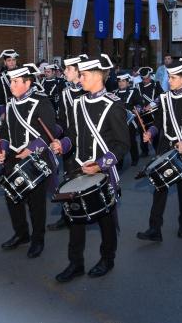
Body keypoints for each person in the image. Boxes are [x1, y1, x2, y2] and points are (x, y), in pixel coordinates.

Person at [50, 54, 130, 282]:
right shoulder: (78, 104)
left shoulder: (114, 105)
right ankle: (75, 263)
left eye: (83, 74)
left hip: (101, 173)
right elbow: (73, 136)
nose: (79, 78)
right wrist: (61, 144)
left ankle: (107, 258)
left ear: (96, 76)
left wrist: (100, 165)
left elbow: (122, 144)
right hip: (78, 170)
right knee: (75, 219)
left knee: (106, 219)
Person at [136, 59, 182, 242]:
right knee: (159, 188)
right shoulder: (164, 98)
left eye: (173, 77)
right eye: (169, 77)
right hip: (165, 148)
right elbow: (158, 123)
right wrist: (151, 133)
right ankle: (155, 229)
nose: (169, 81)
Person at [0, 64, 58, 259]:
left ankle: (37, 239)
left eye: (15, 82)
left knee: (36, 203)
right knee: (12, 198)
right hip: (14, 157)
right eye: (10, 81)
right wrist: (3, 151)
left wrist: (31, 149)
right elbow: (6, 132)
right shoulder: (11, 104)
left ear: (27, 82)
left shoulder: (41, 101)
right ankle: (21, 233)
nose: (11, 85)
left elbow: (50, 132)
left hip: (35, 158)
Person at [47, 54, 87, 232]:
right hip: (69, 143)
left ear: (79, 71)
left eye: (69, 69)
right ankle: (67, 216)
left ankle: (87, 212)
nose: (65, 72)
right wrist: (54, 134)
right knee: (68, 179)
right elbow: (62, 120)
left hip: (86, 144)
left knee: (86, 181)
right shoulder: (64, 92)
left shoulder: (88, 91)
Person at [113, 73, 141, 167]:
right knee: (118, 142)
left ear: (128, 82)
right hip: (117, 122)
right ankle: (119, 162)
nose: (121, 83)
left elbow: (139, 103)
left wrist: (137, 109)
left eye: (123, 81)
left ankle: (135, 159)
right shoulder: (114, 93)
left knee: (131, 141)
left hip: (130, 121)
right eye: (119, 81)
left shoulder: (134, 91)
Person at [136, 67, 163, 157]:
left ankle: (157, 151)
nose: (145, 80)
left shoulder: (156, 84)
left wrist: (151, 105)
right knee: (142, 133)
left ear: (150, 76)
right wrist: (139, 108)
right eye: (143, 79)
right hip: (142, 114)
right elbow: (136, 99)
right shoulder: (138, 86)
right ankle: (144, 151)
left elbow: (161, 96)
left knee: (155, 133)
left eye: (147, 78)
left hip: (154, 113)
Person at [0, 49, 20, 119]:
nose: (12, 62)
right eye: (9, 60)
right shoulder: (2, 77)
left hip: (23, 108)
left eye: (13, 60)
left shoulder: (24, 74)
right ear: (5, 62)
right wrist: (2, 112)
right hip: (9, 110)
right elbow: (0, 96)